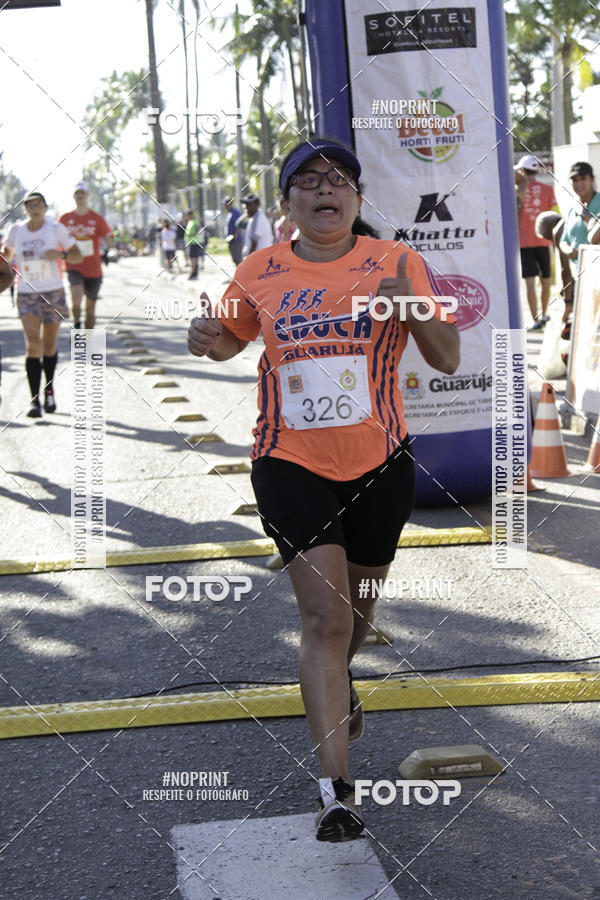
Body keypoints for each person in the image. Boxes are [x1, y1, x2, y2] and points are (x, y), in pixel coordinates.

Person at [188, 138, 459, 842]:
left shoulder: (397, 263)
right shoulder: (259, 269)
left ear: (358, 199)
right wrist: (205, 335)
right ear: (288, 205)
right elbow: (228, 339)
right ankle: (338, 790)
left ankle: (341, 681)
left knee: (356, 621)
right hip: (289, 460)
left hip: (378, 465)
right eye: (307, 181)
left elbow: (448, 356)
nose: (324, 188)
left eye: (338, 179)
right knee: (325, 621)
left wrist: (419, 309)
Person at [2, 190, 82, 417]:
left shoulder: (55, 229)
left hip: (53, 292)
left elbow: (77, 255)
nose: (35, 208)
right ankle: (34, 401)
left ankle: (49, 390)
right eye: (30, 205)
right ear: (25, 208)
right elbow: (6, 256)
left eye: (39, 204)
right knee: (33, 345)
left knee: (49, 345)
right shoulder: (16, 230)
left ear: (45, 208)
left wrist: (60, 255)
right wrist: (7, 261)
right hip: (27, 292)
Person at [59, 181, 114, 329]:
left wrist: (110, 242)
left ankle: (89, 342)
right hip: (73, 265)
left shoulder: (96, 218)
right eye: (77, 193)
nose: (80, 196)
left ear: (88, 195)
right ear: (73, 196)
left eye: (82, 193)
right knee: (75, 300)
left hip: (93, 268)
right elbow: (55, 238)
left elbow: (109, 238)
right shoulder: (65, 218)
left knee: (90, 310)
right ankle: (77, 325)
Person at [514, 155, 558, 331]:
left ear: (523, 171)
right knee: (545, 279)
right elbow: (556, 214)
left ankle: (536, 319)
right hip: (544, 240)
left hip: (524, 242)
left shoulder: (516, 190)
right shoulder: (548, 189)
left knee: (530, 283)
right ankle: (545, 313)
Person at [184, 210, 207, 279]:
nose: (187, 216)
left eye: (188, 215)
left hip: (194, 243)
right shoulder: (190, 222)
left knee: (193, 259)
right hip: (190, 242)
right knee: (192, 259)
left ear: (191, 215)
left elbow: (197, 228)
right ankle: (194, 273)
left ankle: (193, 273)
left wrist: (192, 235)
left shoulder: (195, 221)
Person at [223, 197, 243, 265]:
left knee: (238, 259)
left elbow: (239, 225)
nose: (225, 206)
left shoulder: (235, 212)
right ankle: (239, 274)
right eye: (225, 204)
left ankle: (241, 275)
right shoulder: (229, 213)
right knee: (235, 259)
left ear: (231, 204)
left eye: (227, 204)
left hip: (235, 240)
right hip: (230, 240)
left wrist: (235, 236)